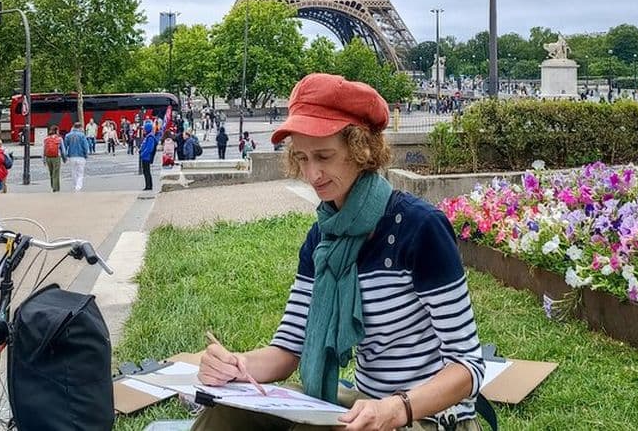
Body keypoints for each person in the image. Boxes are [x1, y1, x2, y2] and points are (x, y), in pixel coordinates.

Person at [192, 74, 484, 431]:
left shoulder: (420, 228)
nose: (312, 173)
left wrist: (397, 408)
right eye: (302, 157)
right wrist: (236, 365)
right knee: (224, 412)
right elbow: (288, 349)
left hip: (426, 415)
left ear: (362, 149)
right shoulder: (322, 237)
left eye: (324, 156)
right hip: (366, 404)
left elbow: (468, 365)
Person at [64, 122, 89, 191]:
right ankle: (78, 186)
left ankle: (75, 185)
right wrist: (86, 154)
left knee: (73, 171)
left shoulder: (68, 135)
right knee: (80, 172)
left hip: (72, 155)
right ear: (80, 127)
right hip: (81, 155)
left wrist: (65, 155)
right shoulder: (82, 135)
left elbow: (65, 146)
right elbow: (85, 146)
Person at [43, 125, 67, 192]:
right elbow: (63, 150)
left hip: (48, 157)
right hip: (56, 157)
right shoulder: (59, 139)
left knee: (51, 172)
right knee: (56, 173)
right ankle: (55, 188)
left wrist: (44, 159)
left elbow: (44, 149)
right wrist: (64, 158)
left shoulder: (46, 139)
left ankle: (52, 185)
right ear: (56, 131)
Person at [139, 120, 159, 191]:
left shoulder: (150, 137)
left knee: (147, 172)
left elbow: (149, 148)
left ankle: (148, 186)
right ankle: (148, 185)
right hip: (145, 157)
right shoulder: (148, 136)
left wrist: (142, 154)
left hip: (146, 157)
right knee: (146, 172)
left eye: (144, 129)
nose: (143, 130)